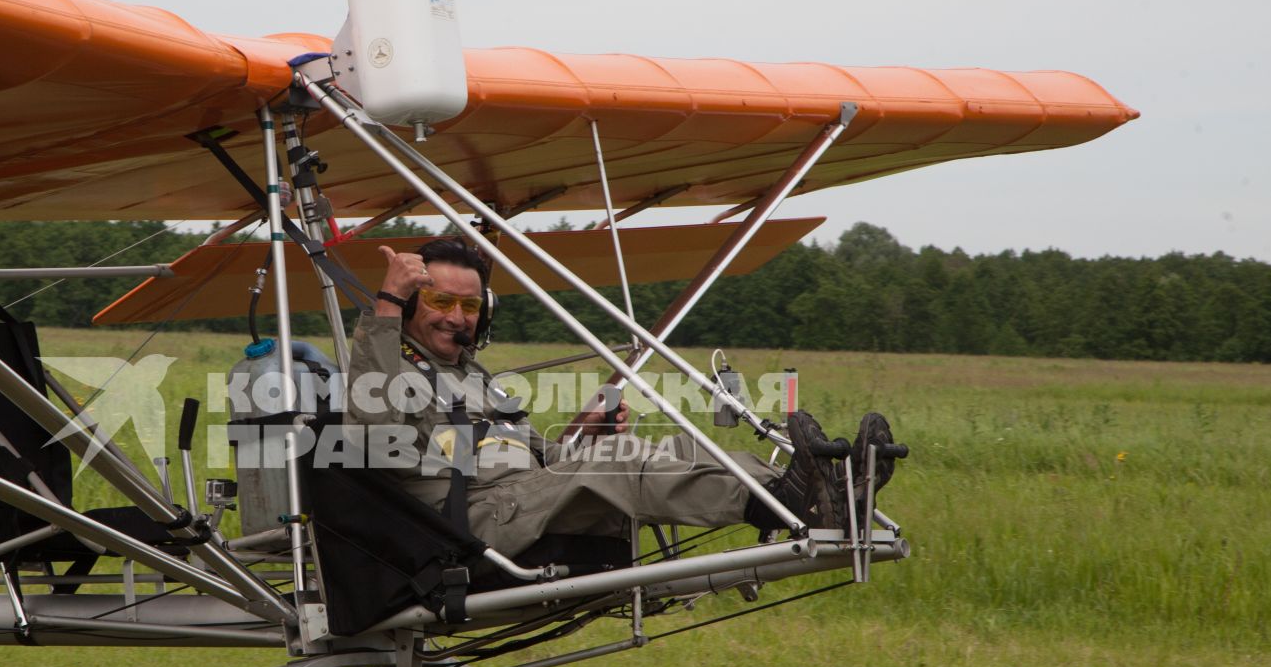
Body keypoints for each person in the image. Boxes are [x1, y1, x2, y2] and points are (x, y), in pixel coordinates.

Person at [342, 236, 897, 562]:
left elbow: (542, 459)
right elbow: (370, 440)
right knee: (619, 461)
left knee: (681, 445)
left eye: (468, 307)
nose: (455, 317)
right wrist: (386, 304)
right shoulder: (385, 367)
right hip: (465, 524)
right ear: (411, 303)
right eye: (439, 301)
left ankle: (826, 492)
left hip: (519, 500)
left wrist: (580, 433)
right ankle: (783, 502)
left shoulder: (472, 376)